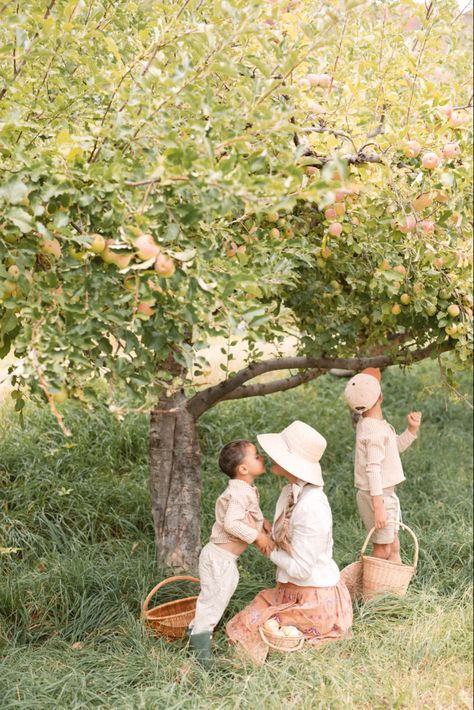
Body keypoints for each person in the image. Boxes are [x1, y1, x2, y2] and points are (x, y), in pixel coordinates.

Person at [226, 421, 353, 666]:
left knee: (261, 631)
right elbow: (283, 536)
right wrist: (259, 527)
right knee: (244, 623)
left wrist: (266, 547)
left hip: (314, 596)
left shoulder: (312, 507)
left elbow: (302, 570)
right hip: (293, 590)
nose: (269, 457)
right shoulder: (290, 492)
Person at [188, 439, 274, 667]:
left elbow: (248, 513)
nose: (261, 457)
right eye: (256, 456)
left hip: (225, 559)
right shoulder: (238, 493)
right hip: (219, 559)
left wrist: (261, 522)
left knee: (217, 598)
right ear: (243, 469)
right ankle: (201, 654)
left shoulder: (245, 489)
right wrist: (258, 536)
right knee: (212, 602)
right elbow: (231, 523)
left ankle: (196, 633)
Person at [344, 368, 422, 563]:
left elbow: (393, 448)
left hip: (381, 495)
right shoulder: (375, 431)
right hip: (379, 497)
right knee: (382, 548)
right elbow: (373, 469)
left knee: (393, 546)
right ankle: (369, 589)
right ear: (380, 395)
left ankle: (396, 587)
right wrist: (379, 507)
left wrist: (411, 430)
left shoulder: (369, 424)